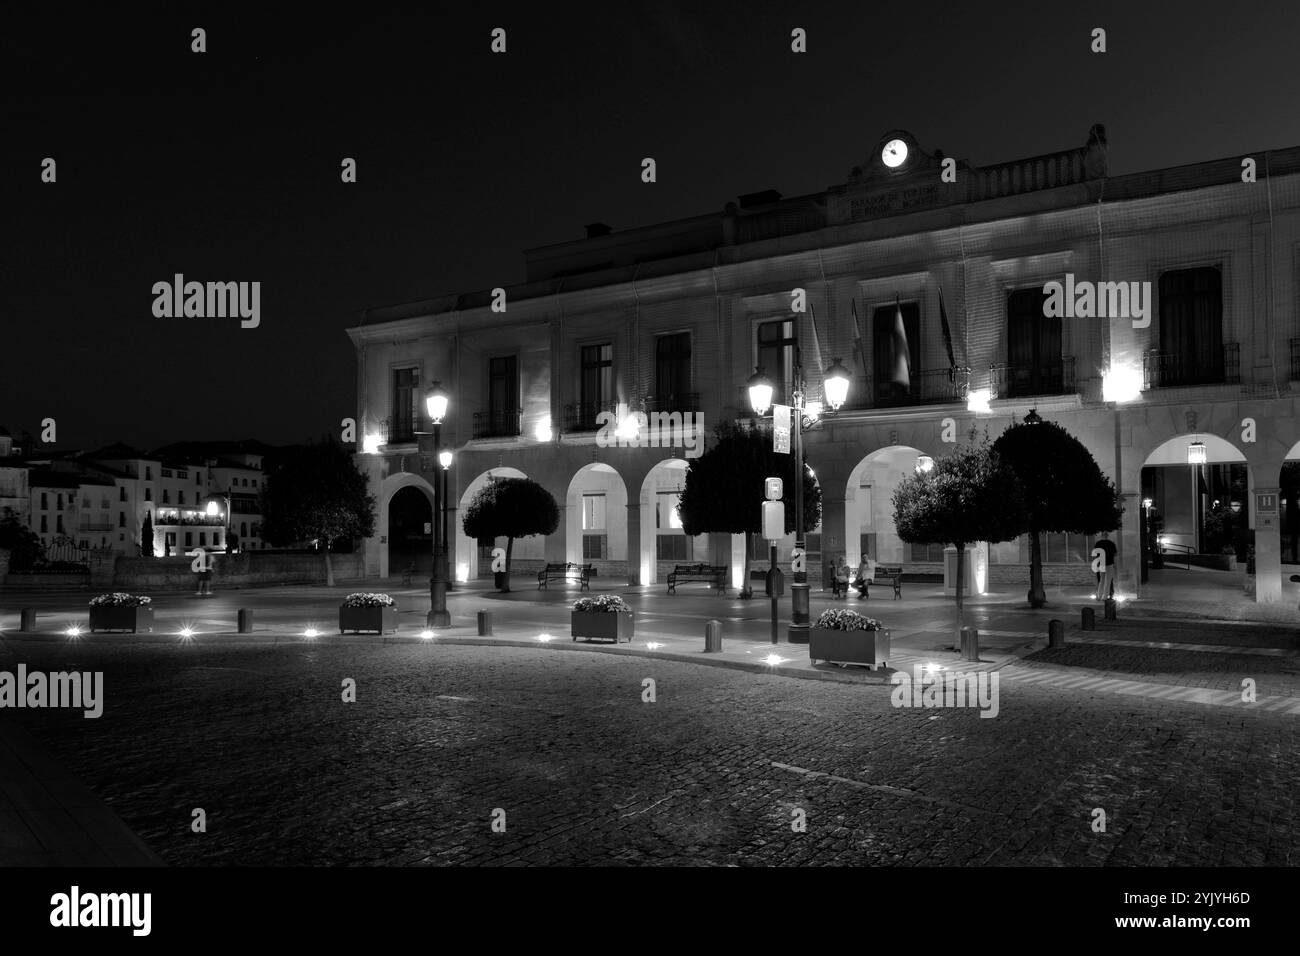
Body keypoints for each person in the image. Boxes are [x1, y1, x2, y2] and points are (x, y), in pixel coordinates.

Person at [1093, 531, 1117, 600]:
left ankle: (1099, 595)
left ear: (1101, 535)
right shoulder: (1111, 543)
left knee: (1101, 580)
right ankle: (1105, 596)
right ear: (1107, 535)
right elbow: (1115, 554)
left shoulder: (1098, 543)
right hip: (1109, 563)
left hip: (1101, 564)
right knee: (1108, 581)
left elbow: (1095, 554)